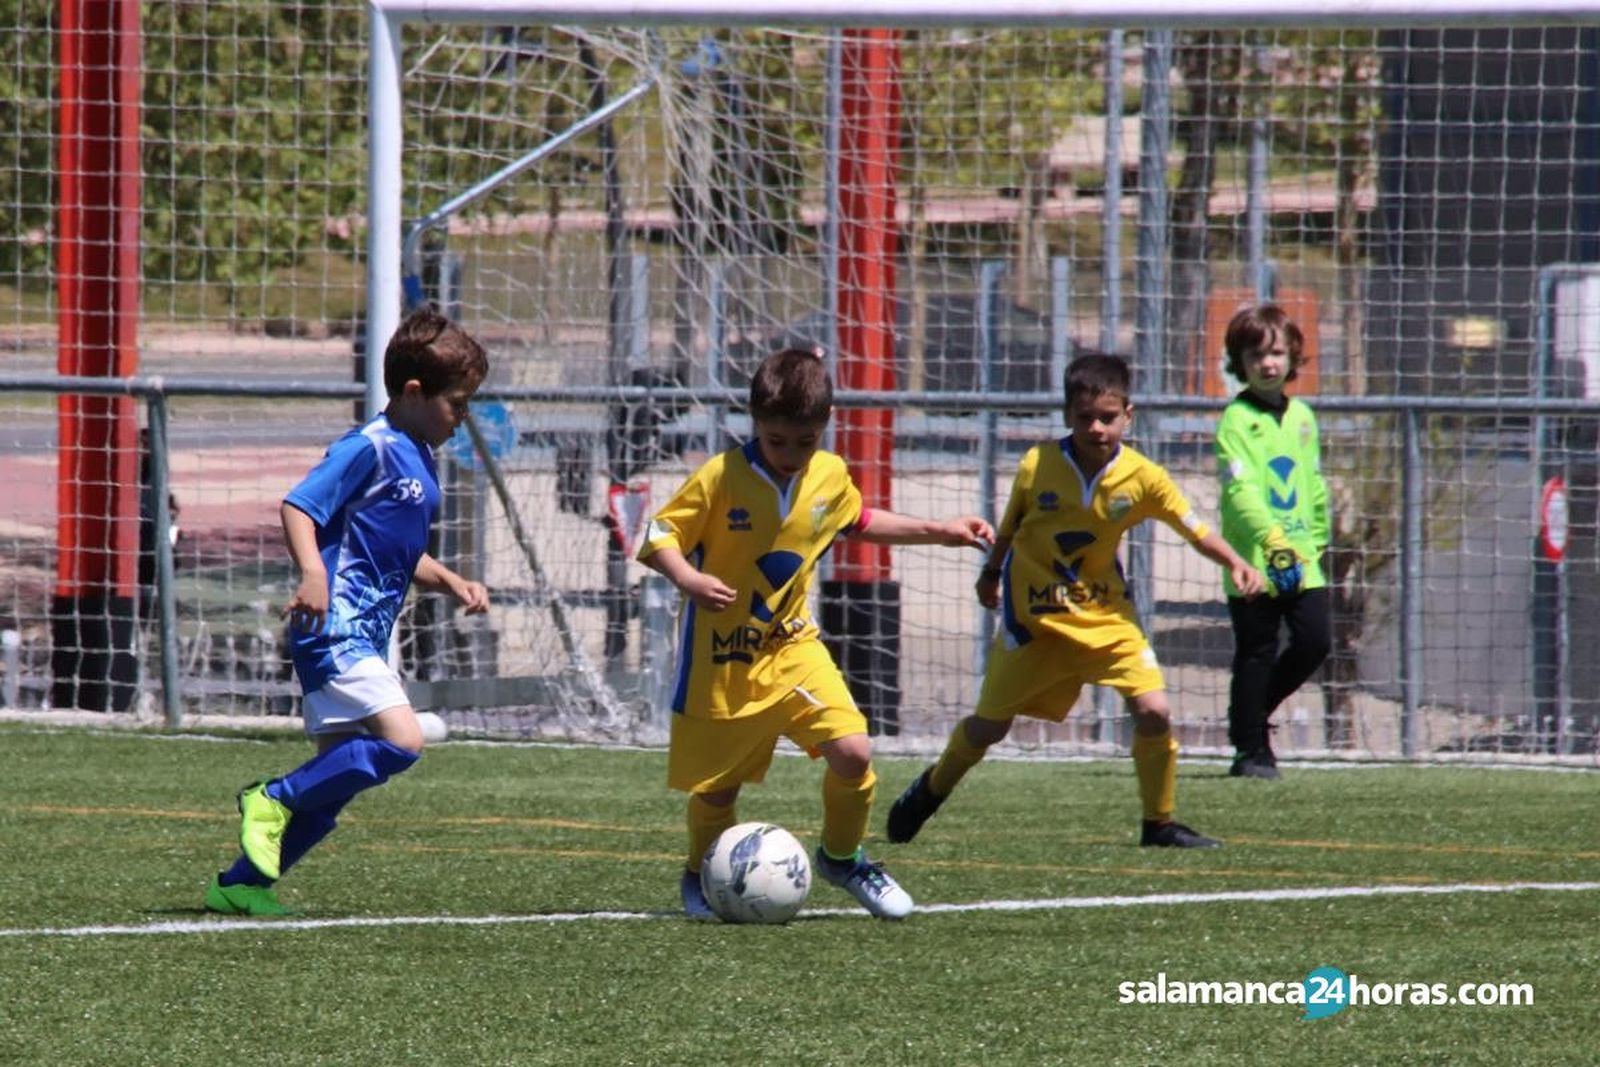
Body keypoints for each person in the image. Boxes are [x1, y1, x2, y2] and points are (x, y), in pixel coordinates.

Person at [638, 347, 994, 920]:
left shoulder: (828, 474)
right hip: (723, 659)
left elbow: (859, 520)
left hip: (792, 646)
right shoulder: (721, 477)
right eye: (775, 441)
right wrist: (690, 578)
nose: (789, 455)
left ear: (825, 425)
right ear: (755, 423)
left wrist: (939, 530)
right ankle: (700, 872)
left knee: (853, 750)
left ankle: (843, 858)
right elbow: (659, 534)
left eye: (804, 442)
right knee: (719, 791)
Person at [888, 352, 1265, 851]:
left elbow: (1194, 529)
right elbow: (1010, 527)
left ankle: (1159, 823)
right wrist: (990, 574)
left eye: (1107, 417)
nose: (1096, 428)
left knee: (1154, 711)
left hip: (1106, 619)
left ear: (1128, 415)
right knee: (987, 728)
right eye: (1085, 417)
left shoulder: (1144, 477)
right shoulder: (1038, 464)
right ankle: (931, 789)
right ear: (1068, 414)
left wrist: (1235, 561)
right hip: (1035, 623)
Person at [204, 306, 491, 916]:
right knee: (404, 742)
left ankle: (239, 885)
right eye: (457, 403)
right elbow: (299, 507)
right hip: (335, 630)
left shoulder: (418, 455)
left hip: (357, 634)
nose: (462, 417)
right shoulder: (370, 447)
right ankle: (272, 796)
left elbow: (398, 552)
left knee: (333, 786)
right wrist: (313, 573)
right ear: (413, 392)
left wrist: (451, 581)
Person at [1215, 304, 1332, 780]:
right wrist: (1270, 539)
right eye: (1256, 355)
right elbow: (1239, 491)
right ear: (1239, 363)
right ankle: (1251, 751)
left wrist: (1317, 539)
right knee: (1257, 650)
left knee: (1314, 642)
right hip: (1256, 560)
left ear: (1293, 358)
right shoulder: (1236, 419)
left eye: (1277, 353)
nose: (1267, 363)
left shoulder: (1302, 416)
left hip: (1301, 558)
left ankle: (1249, 712)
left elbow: (1313, 483)